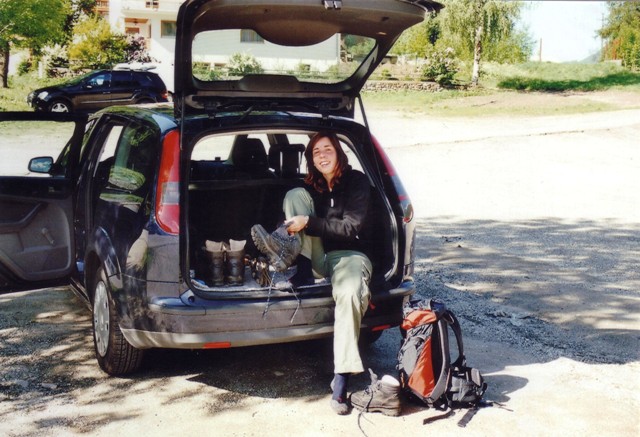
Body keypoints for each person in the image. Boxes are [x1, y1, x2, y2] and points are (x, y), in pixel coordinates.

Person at [252, 132, 372, 415]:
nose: (322, 155)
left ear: (339, 153)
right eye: (316, 151)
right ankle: (295, 261)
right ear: (311, 159)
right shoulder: (312, 187)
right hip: (318, 254)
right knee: (293, 194)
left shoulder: (358, 183)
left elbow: (351, 228)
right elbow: (304, 217)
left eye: (327, 149)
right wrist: (292, 225)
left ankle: (341, 379)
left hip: (349, 255)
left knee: (349, 292)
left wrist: (309, 222)